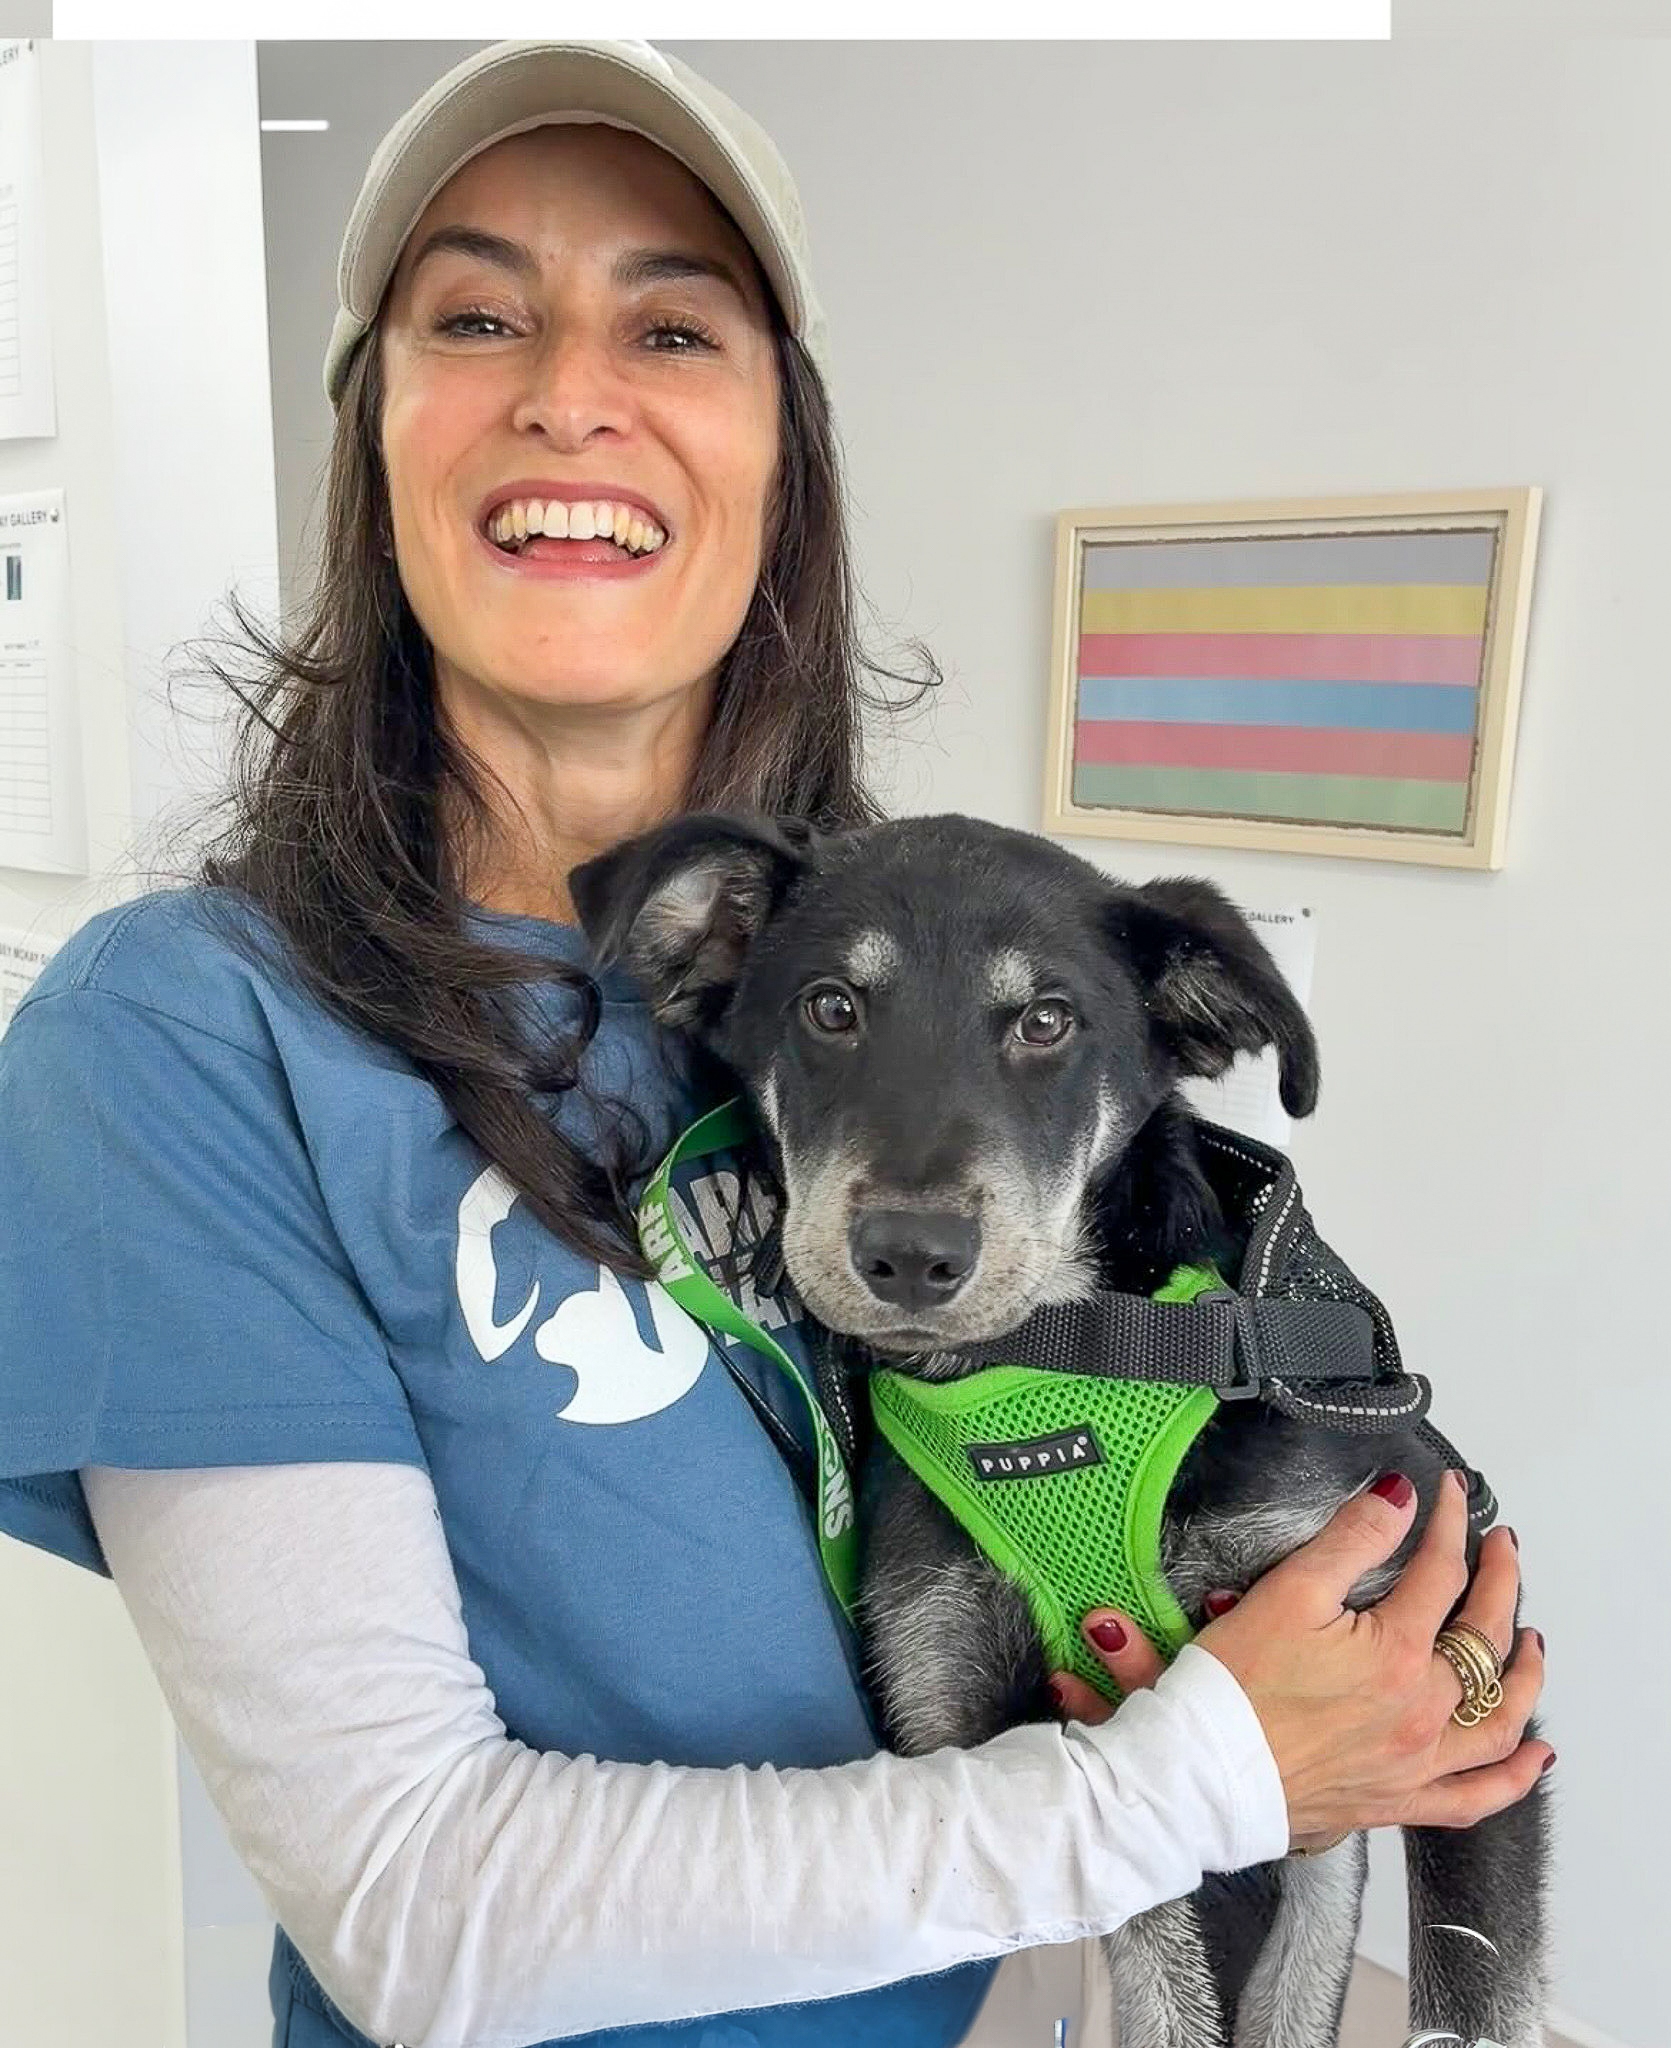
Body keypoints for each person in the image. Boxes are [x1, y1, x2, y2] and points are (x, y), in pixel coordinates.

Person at [0, 38, 1549, 2048]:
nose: (570, 385)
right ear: (373, 437)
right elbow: (416, 1909)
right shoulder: (190, 1038)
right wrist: (1203, 1774)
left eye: (671, 322)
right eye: (475, 315)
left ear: (776, 458)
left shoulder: (823, 1001)